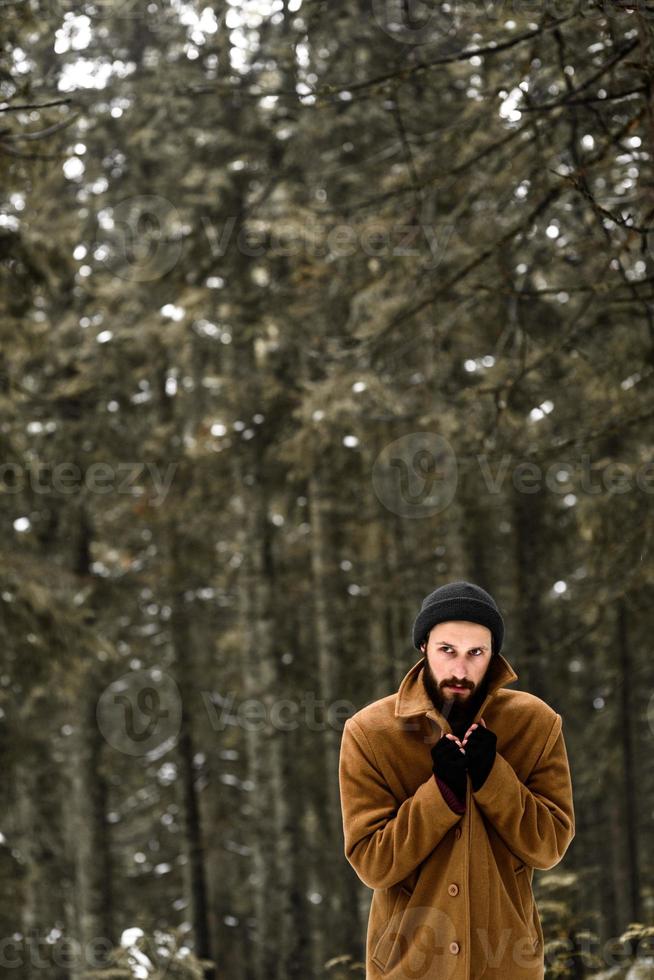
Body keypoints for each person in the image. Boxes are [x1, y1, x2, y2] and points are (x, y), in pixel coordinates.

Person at [338, 581, 575, 979]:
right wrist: (440, 795)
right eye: (447, 650)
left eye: (476, 653)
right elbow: (372, 863)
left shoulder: (537, 724)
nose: (460, 670)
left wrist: (493, 778)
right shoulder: (369, 733)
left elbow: (549, 846)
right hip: (408, 967)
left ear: (493, 656)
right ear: (424, 648)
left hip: (506, 967)